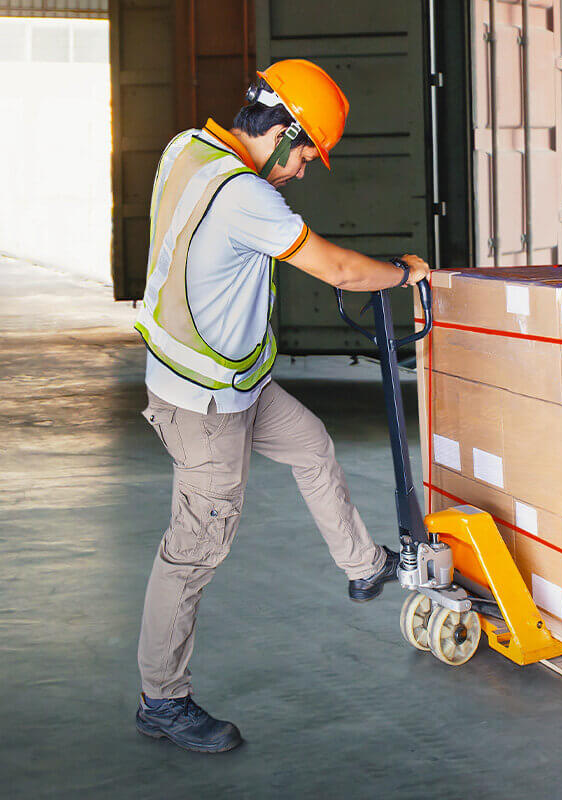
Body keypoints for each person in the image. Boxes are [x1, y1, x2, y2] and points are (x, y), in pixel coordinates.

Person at [132, 59, 430, 753]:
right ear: (284, 131)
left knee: (310, 442)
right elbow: (339, 270)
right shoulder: (246, 197)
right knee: (194, 549)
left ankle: (363, 567)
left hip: (232, 380)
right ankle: (162, 701)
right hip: (203, 402)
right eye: (306, 154)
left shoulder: (188, 149)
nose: (303, 171)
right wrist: (407, 273)